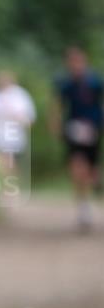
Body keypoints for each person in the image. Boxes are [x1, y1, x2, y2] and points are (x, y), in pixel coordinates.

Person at [51, 47, 103, 231]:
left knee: (91, 170)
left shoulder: (95, 82)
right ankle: (83, 207)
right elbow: (57, 104)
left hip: (94, 129)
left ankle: (95, 182)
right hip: (73, 129)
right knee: (76, 167)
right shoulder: (65, 84)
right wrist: (55, 124)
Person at [0, 70, 36, 204]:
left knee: (9, 163)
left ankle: (8, 189)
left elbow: (29, 118)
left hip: (14, 137)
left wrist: (19, 118)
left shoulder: (20, 95)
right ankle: (6, 188)